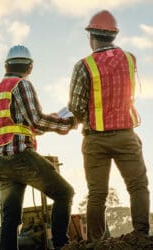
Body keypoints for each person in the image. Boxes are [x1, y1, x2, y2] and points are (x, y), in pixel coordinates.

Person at [68, 9, 150, 241]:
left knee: (97, 193)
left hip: (95, 138)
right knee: (137, 186)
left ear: (91, 37)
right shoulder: (130, 58)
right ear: (113, 36)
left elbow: (75, 105)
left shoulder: (83, 66)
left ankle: (96, 241)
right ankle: (142, 235)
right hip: (126, 135)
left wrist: (89, 118)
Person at [0, 44, 77, 250]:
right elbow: (36, 120)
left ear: (5, 65)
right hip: (20, 157)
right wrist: (67, 123)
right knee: (65, 193)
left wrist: (51, 120)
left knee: (10, 218)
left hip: (0, 161)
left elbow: (20, 125)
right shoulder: (22, 85)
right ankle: (62, 245)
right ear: (30, 67)